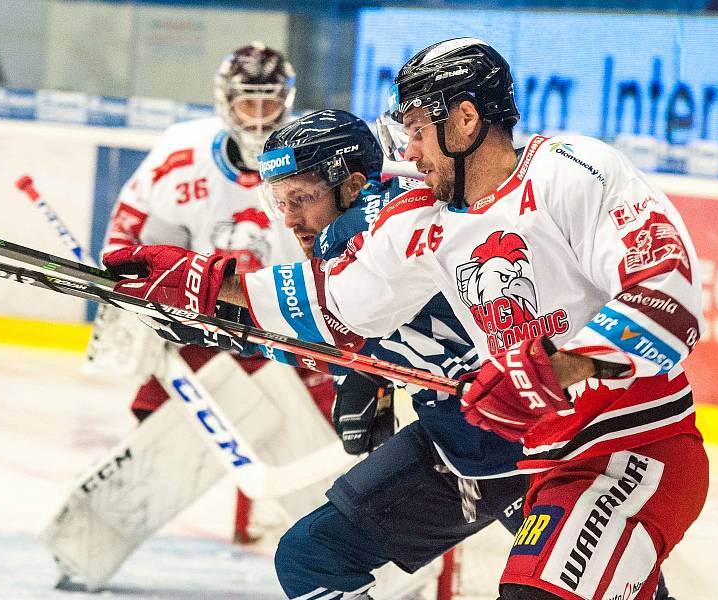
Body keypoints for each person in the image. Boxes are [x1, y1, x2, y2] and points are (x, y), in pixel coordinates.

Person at [104, 83, 687, 599]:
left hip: (537, 438)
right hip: (476, 438)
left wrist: (213, 293)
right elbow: (346, 318)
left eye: (302, 199)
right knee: (313, 555)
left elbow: (339, 315)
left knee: (326, 557)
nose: (290, 221)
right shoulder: (398, 218)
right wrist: (222, 307)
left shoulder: (384, 221)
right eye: (279, 204)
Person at [100, 41, 334, 421]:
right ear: (226, 103)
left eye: (268, 104)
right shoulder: (181, 154)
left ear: (286, 102)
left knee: (319, 447)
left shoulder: (320, 156)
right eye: (247, 104)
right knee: (153, 425)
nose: (258, 118)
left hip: (293, 330)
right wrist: (138, 303)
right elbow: (132, 239)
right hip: (206, 324)